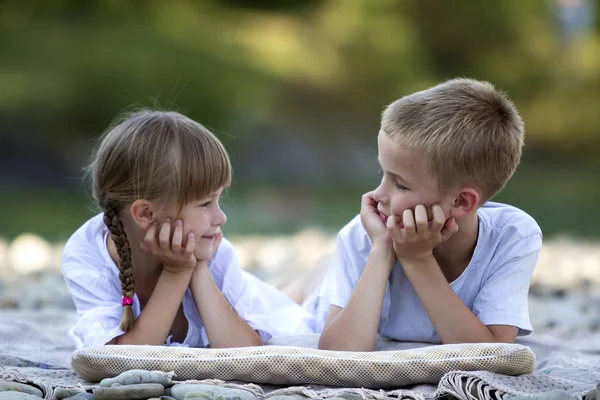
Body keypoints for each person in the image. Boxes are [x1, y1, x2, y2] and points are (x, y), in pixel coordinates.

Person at [311, 78, 542, 351]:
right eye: (381, 173)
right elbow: (337, 356)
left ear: (460, 201)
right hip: (315, 305)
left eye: (400, 184)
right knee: (298, 300)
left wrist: (418, 260)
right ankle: (311, 280)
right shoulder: (364, 236)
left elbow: (491, 353)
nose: (376, 196)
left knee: (316, 277)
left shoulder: (513, 236)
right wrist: (382, 250)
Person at [61, 109, 314, 349]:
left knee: (309, 307)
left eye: (218, 200)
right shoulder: (87, 257)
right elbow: (123, 358)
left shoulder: (213, 250)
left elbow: (246, 352)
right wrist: (176, 273)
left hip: (280, 312)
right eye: (205, 203)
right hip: (262, 295)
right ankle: (301, 286)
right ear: (146, 214)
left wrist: (199, 269)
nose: (221, 217)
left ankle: (306, 283)